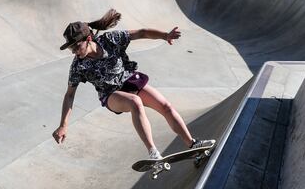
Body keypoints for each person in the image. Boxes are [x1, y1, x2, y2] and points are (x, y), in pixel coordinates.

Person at [52, 9, 215, 160]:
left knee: (166, 106)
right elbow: (70, 95)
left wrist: (165, 35)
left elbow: (141, 33)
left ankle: (193, 144)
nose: (74, 51)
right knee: (135, 102)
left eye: (76, 46)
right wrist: (63, 125)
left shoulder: (110, 40)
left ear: (88, 39)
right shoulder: (78, 66)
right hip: (111, 95)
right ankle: (153, 153)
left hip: (129, 81)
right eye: (71, 48)